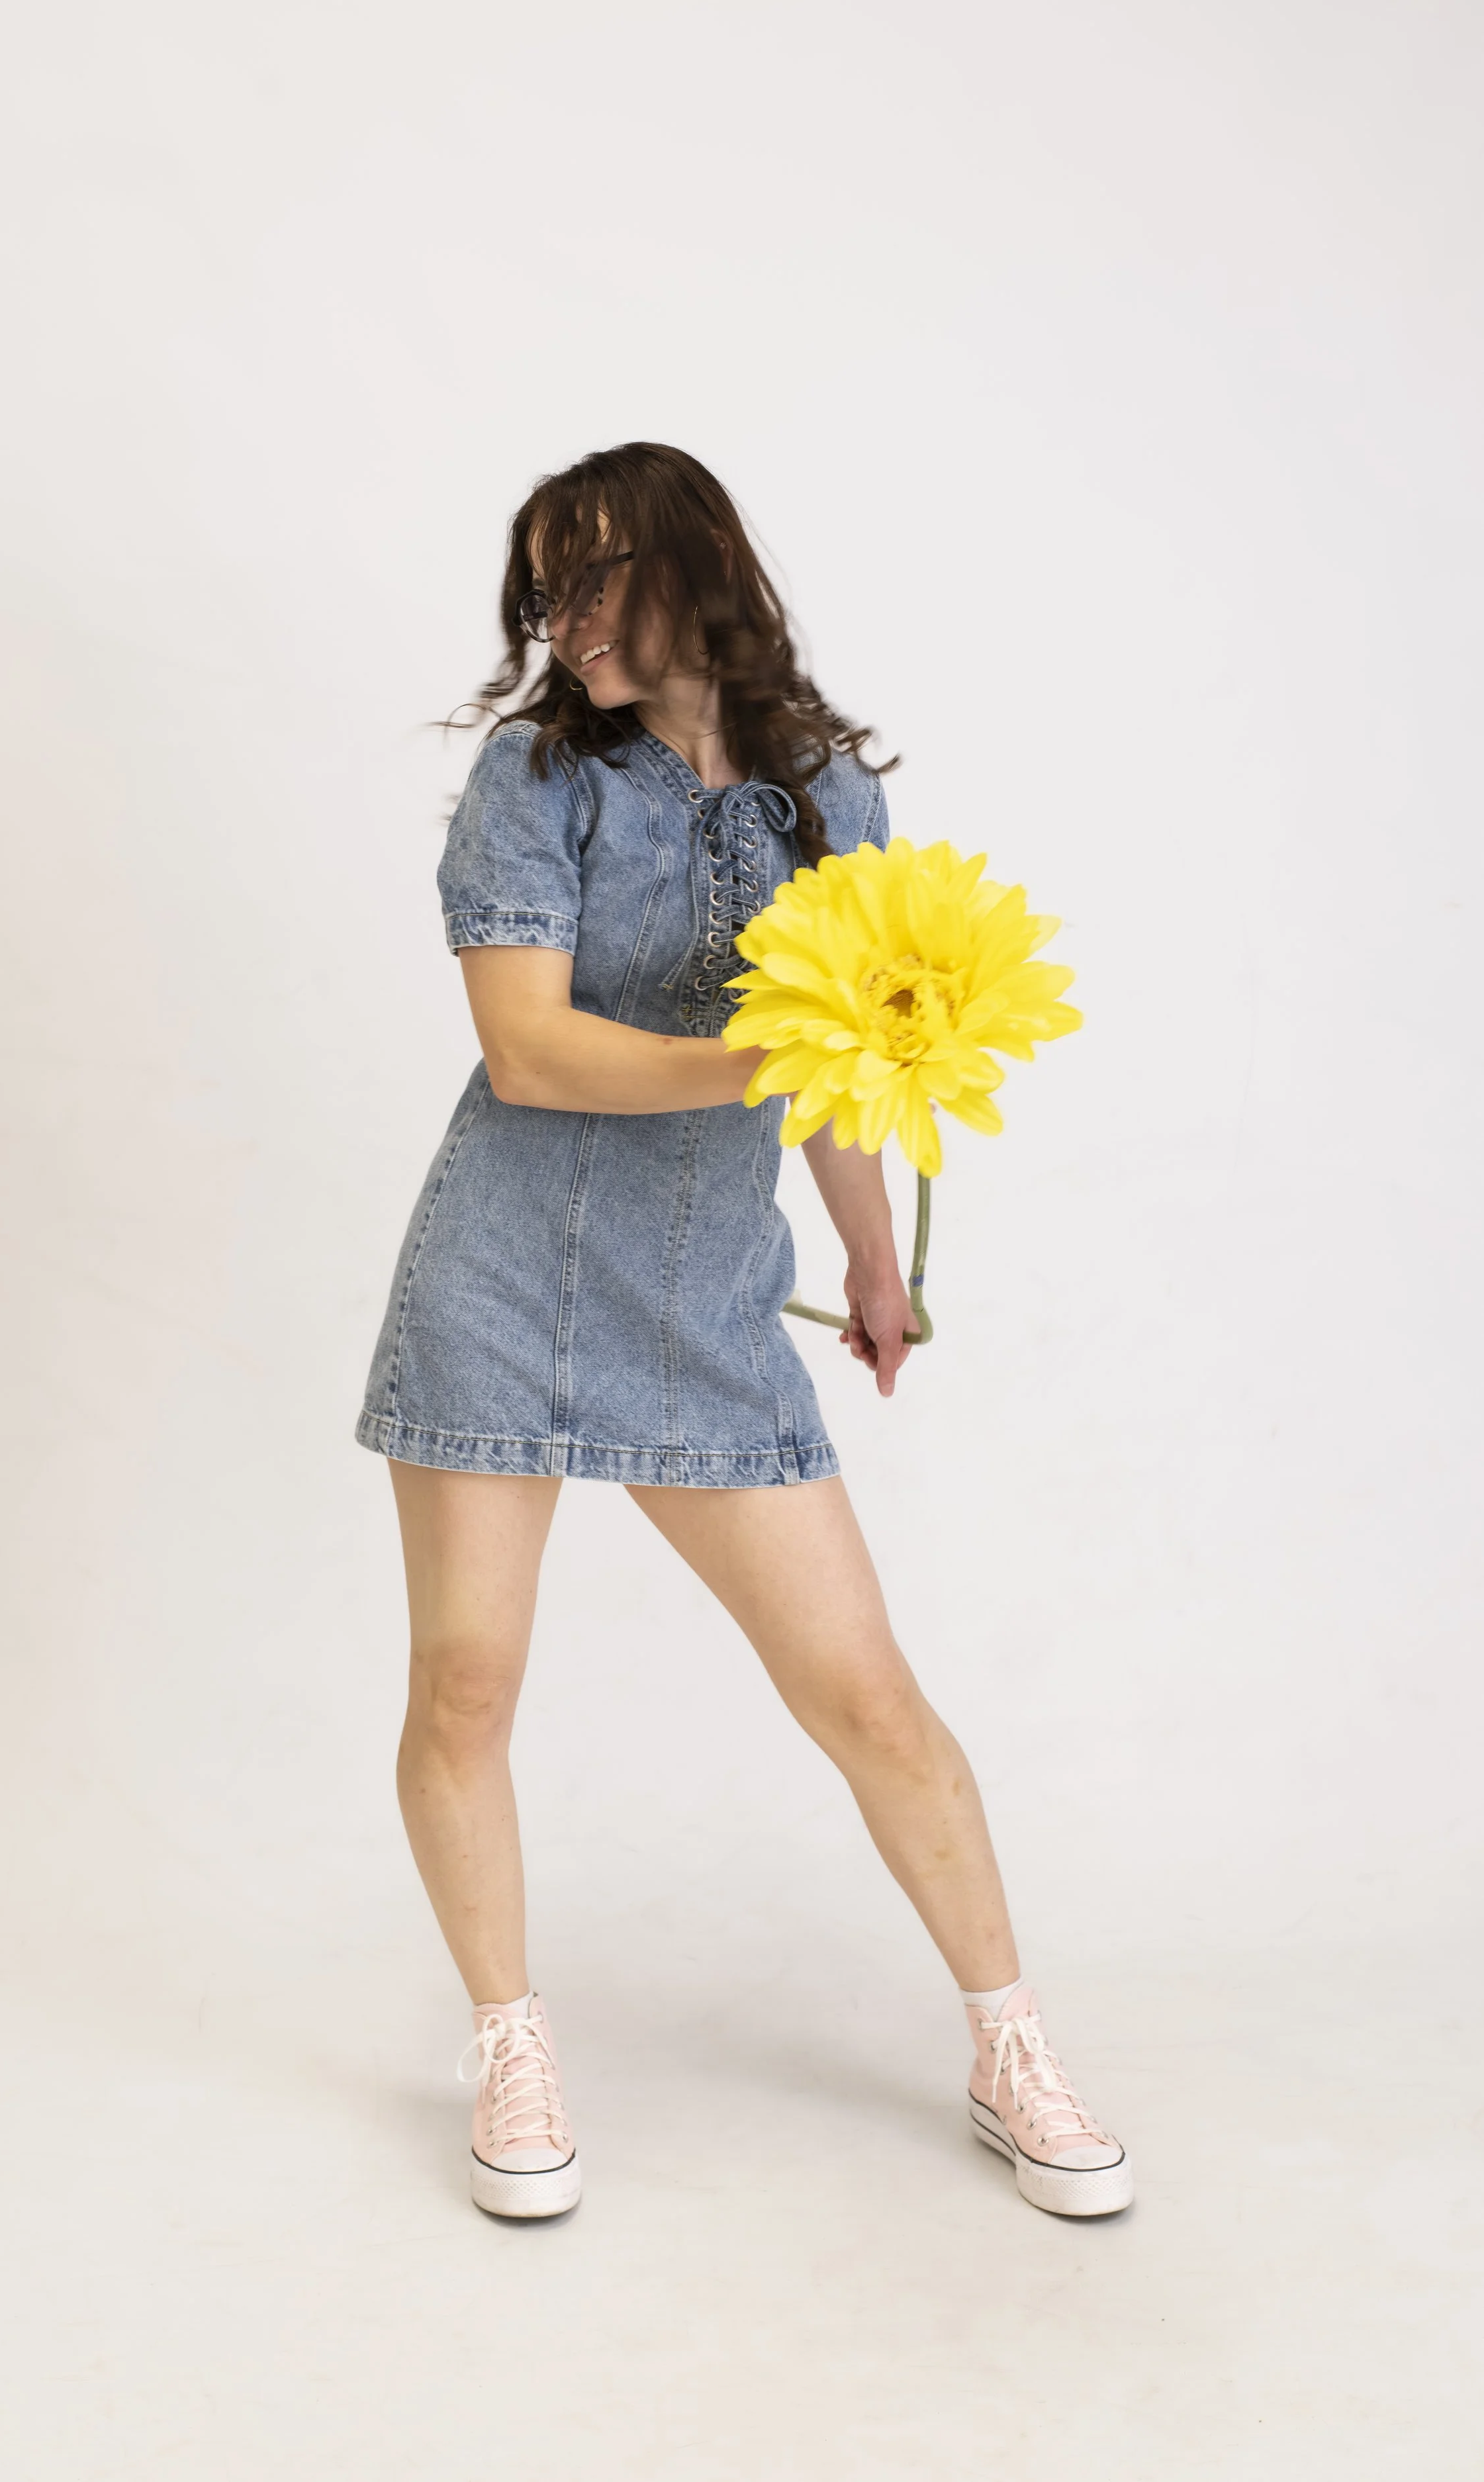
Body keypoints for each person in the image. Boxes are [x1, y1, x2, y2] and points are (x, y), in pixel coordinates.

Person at [355, 442, 1131, 2223]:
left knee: (866, 1697)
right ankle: (506, 2037)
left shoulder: (824, 802)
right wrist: (778, 1062)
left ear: (698, 570)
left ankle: (1005, 2037)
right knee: (466, 1681)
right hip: (496, 1279)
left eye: (599, 577)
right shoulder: (528, 783)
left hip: (709, 1297)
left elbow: (854, 1069)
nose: (568, 619)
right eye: (545, 585)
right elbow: (529, 1052)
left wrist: (866, 1256)